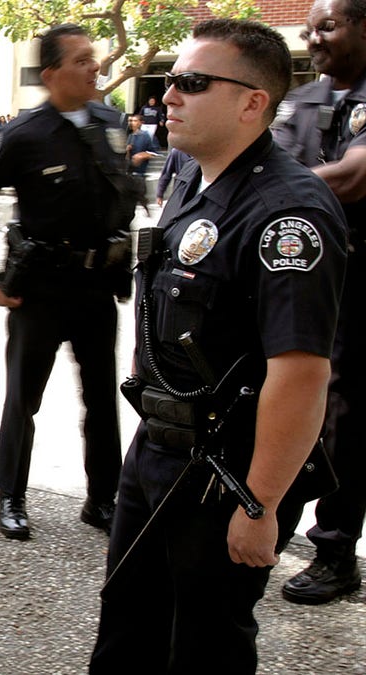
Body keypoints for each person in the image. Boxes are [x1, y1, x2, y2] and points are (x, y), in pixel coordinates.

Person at [90, 20, 348, 672]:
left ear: (251, 102)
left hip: (225, 469)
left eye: (191, 83)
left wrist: (259, 504)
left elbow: (302, 373)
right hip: (157, 447)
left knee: (205, 645)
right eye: (172, 80)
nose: (168, 96)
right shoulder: (187, 177)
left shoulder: (289, 212)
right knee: (126, 628)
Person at [0, 24, 135, 541]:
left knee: (102, 398)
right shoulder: (23, 133)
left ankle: (102, 499)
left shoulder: (110, 121)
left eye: (94, 59)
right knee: (24, 398)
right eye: (82, 60)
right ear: (52, 74)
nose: (95, 67)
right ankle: (11, 496)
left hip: (97, 286)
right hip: (39, 290)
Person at [271, 0, 366, 606]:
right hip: (301, 280)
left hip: (359, 291)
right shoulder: (302, 100)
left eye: (327, 26)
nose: (313, 38)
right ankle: (267, 525)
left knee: (346, 425)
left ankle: (335, 551)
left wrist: (275, 188)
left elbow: (356, 176)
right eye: (308, 29)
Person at [126, 113, 159, 215]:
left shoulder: (146, 136)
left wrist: (142, 155)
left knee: (140, 195)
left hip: (140, 173)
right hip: (128, 173)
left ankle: (147, 210)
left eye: (135, 121)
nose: (132, 123)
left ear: (141, 123)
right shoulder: (130, 136)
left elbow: (155, 152)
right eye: (131, 121)